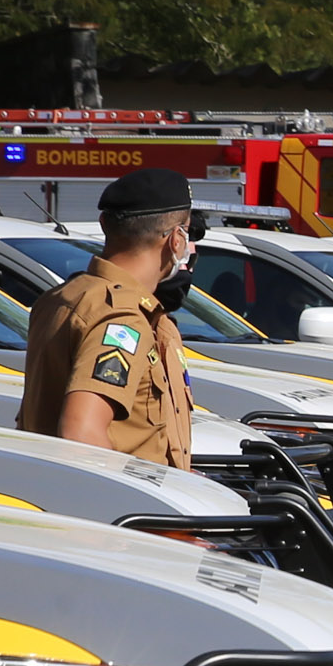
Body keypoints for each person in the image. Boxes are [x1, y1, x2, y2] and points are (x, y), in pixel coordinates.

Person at [15, 166, 199, 468]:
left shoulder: (67, 296)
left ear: (104, 224)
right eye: (188, 232)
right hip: (127, 509)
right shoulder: (123, 318)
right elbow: (81, 433)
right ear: (176, 240)